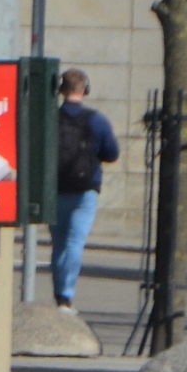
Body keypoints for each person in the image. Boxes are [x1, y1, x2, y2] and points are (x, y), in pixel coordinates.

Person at [52, 68, 121, 312]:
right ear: (85, 90)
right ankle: (67, 295)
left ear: (61, 90)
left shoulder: (51, 118)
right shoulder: (97, 120)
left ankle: (59, 297)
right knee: (75, 242)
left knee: (59, 242)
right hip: (85, 190)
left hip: (56, 189)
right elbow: (112, 153)